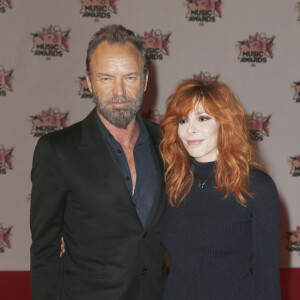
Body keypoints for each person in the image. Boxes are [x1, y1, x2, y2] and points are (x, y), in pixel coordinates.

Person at [30, 25, 166, 300]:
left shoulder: (167, 143)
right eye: (106, 78)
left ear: (145, 79)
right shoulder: (58, 151)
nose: (119, 91)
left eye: (129, 77)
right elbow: (44, 250)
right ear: (89, 82)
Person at [159, 79, 281, 300]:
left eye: (203, 118)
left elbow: (268, 280)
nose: (191, 129)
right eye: (183, 120)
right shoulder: (173, 183)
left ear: (225, 124)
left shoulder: (257, 187)